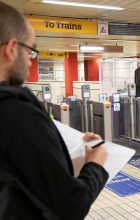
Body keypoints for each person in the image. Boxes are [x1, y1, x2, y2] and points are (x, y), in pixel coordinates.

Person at [0, 2, 109, 219]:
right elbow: (71, 206)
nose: (31, 62)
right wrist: (94, 165)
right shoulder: (16, 113)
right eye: (30, 51)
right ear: (12, 49)